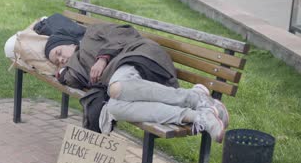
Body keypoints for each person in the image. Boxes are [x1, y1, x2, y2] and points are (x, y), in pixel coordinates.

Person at [44, 22, 229, 143]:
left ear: (69, 42)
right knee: (114, 109)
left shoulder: (92, 33)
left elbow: (124, 32)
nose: (60, 59)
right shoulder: (75, 66)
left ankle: (193, 97)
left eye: (59, 52)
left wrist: (102, 58)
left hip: (138, 56)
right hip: (130, 83)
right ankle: (198, 116)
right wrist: (59, 71)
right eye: (56, 60)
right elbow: (69, 79)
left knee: (115, 89)